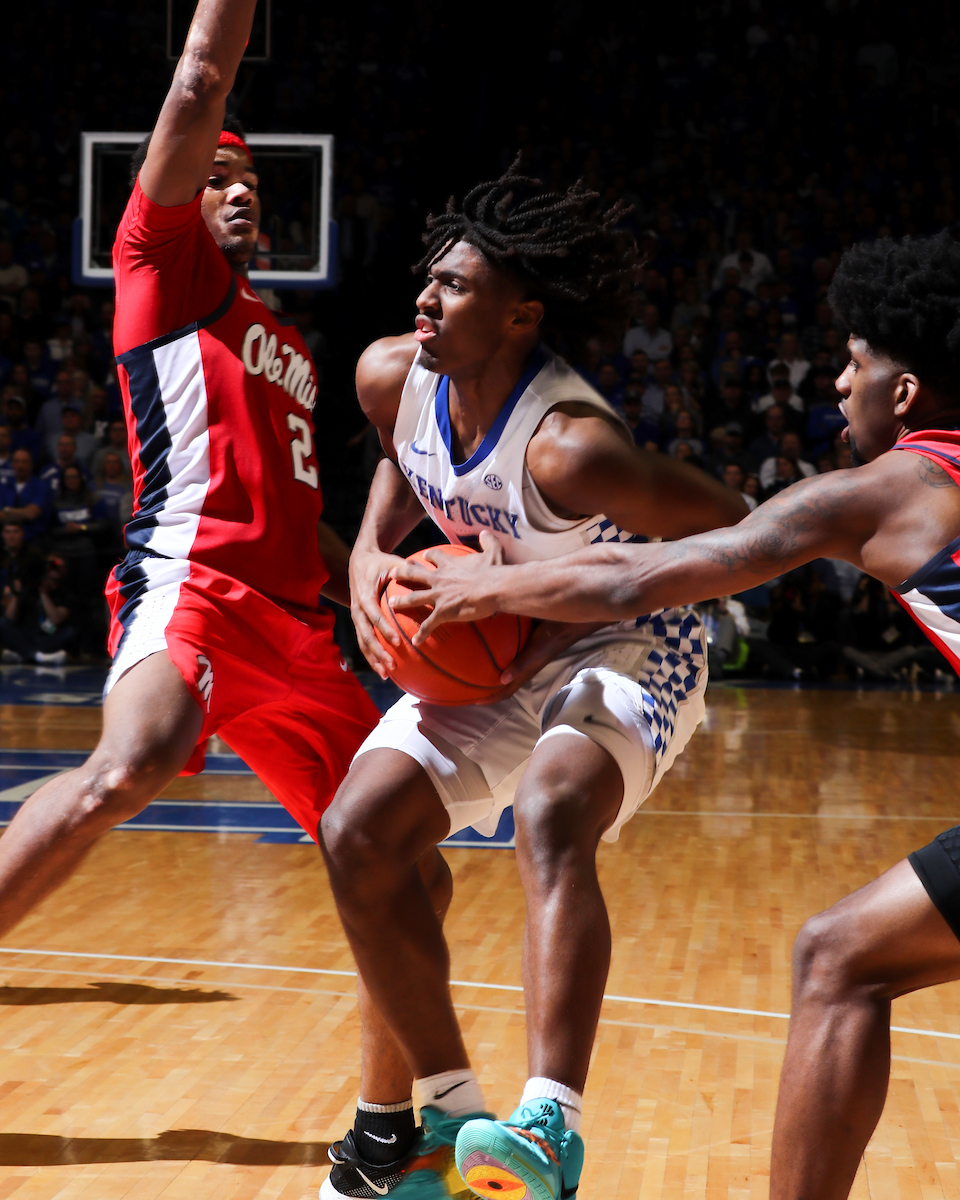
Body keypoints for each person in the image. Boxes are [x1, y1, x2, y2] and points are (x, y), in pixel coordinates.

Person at [385, 231, 960, 1200]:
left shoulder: (897, 488)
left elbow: (651, 568)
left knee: (837, 960)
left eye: (854, 366)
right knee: (842, 955)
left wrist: (498, 585)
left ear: (903, 395)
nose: (836, 387)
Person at [318, 162, 746, 1200]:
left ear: (520, 317)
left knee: (551, 807)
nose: (425, 297)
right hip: (501, 633)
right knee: (357, 832)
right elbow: (397, 460)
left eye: (454, 287)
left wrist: (523, 581)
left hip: (627, 635)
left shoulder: (571, 450)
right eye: (427, 279)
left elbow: (735, 522)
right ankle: (449, 1120)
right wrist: (375, 554)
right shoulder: (390, 374)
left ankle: (551, 1123)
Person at [0, 0, 379, 1023]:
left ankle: (410, 1112)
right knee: (128, 767)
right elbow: (202, 75)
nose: (239, 186)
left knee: (394, 857)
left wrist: (370, 579)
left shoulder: (289, 344)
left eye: (248, 176)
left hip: (298, 631)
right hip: (197, 584)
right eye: (216, 174)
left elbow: (297, 507)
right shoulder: (158, 267)